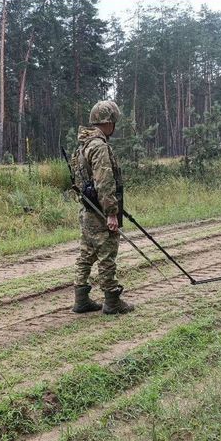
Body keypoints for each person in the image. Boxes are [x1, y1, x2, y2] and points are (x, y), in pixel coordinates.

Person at [70, 100, 134, 315]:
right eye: (114, 122)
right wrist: (111, 213)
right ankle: (112, 301)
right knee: (107, 254)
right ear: (109, 122)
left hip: (88, 210)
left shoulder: (84, 145)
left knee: (86, 253)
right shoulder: (99, 147)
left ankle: (81, 299)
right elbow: (104, 182)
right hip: (99, 211)